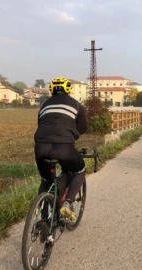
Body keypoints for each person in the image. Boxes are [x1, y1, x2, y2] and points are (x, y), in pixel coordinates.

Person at [34, 77, 87, 222]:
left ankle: (43, 216)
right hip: (64, 146)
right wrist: (70, 136)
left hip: (40, 147)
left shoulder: (44, 105)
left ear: (51, 90)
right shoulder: (75, 104)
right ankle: (67, 203)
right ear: (68, 90)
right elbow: (83, 128)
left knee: (45, 179)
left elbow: (41, 124)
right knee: (80, 170)